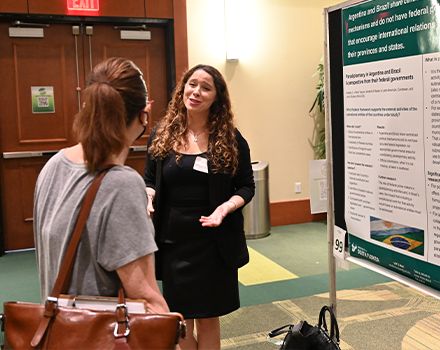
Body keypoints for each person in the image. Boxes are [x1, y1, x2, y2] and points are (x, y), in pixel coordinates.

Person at [33, 57, 172, 317]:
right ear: (145, 114)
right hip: (103, 336)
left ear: (88, 107)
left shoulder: (53, 166)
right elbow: (146, 299)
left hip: (59, 332)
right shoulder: (122, 183)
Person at [143, 64, 255, 349]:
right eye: (192, 84)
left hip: (213, 242)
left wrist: (225, 208)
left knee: (207, 318)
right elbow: (149, 180)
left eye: (206, 88)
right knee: (179, 318)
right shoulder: (162, 134)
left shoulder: (230, 137)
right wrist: (147, 196)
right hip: (173, 241)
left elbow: (246, 186)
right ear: (183, 88)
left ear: (217, 97)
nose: (196, 92)